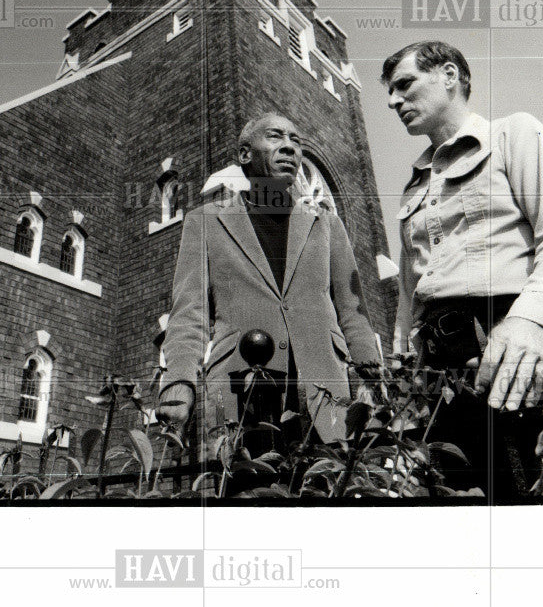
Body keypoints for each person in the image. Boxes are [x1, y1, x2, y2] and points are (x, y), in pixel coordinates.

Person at [381, 40, 543, 498]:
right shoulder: (411, 190)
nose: (392, 100)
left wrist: (530, 321)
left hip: (531, 342)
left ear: (450, 76)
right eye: (390, 91)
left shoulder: (514, 134)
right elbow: (409, 297)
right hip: (444, 376)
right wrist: (405, 381)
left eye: (404, 84)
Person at [155, 113, 382, 456]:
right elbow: (189, 313)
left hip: (326, 394)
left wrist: (371, 379)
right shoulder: (205, 222)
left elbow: (352, 311)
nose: (290, 147)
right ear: (245, 154)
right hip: (241, 395)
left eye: (296, 141)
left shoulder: (327, 225)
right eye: (276, 137)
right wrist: (179, 381)